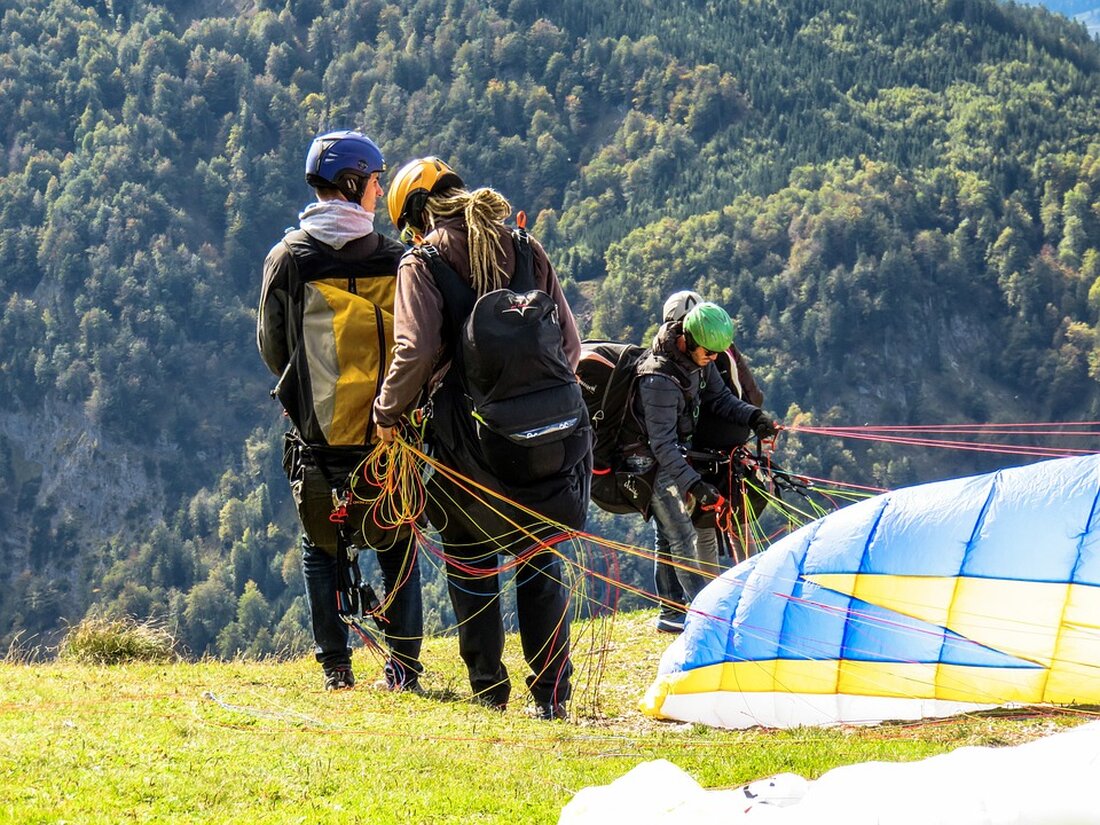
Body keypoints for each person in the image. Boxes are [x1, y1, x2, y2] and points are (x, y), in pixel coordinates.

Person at [374, 157, 589, 720]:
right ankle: (551, 697)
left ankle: (489, 690)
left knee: (471, 561)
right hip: (548, 439)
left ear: (417, 216)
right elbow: (570, 346)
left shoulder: (422, 262)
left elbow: (415, 352)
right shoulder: (524, 246)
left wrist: (387, 413)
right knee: (540, 561)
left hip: (465, 441)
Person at [257, 130, 423, 692]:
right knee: (397, 541)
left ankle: (336, 667)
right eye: (375, 180)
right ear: (353, 184)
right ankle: (404, 667)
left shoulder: (288, 258)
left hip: (319, 435)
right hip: (387, 434)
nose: (379, 190)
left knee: (319, 545)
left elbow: (272, 346)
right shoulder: (397, 259)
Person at [630, 301, 779, 632]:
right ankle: (707, 618)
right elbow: (662, 445)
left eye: (717, 353)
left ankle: (672, 612)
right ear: (687, 340)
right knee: (683, 534)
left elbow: (720, 399)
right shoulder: (658, 378)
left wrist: (754, 418)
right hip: (649, 459)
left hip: (674, 451)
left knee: (669, 534)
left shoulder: (699, 361)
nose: (713, 358)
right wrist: (694, 485)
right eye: (709, 352)